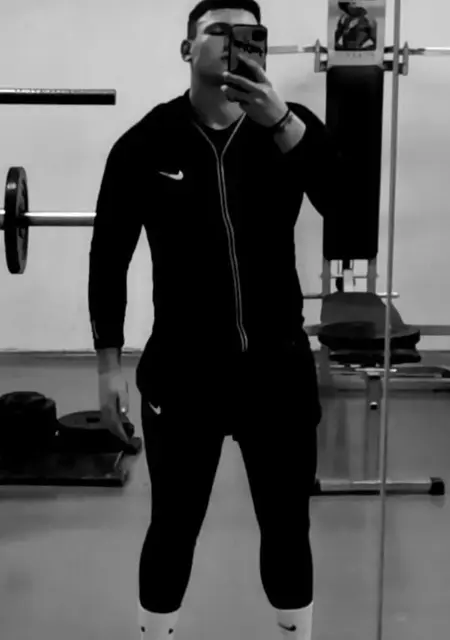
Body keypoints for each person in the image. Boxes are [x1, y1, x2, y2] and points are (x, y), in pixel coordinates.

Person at [88, 1, 346, 639]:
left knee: (287, 530)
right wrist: (108, 366)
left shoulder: (290, 128)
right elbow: (109, 256)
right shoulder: (145, 143)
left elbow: (350, 212)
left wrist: (282, 123)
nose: (233, 43)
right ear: (187, 50)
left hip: (278, 373)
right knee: (173, 530)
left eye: (247, 33)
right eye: (217, 33)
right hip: (183, 375)